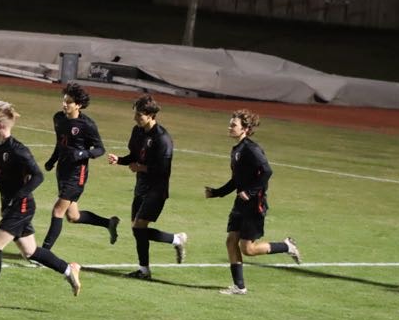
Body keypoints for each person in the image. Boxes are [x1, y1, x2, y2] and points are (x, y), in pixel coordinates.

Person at [0, 102, 82, 310]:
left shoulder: (18, 150)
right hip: (10, 206)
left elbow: (38, 176)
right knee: (31, 251)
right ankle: (70, 270)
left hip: (22, 207)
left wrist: (18, 196)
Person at [204, 109, 301, 295]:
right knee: (231, 241)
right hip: (240, 204)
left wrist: (250, 191)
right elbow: (236, 180)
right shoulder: (237, 150)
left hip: (254, 205)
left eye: (234, 125)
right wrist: (217, 193)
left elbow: (267, 172)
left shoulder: (251, 149)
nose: (230, 127)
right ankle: (239, 287)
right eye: (230, 124)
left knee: (248, 249)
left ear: (245, 129)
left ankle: (287, 246)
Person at [108, 94, 186, 279]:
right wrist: (119, 160)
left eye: (140, 115)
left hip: (157, 189)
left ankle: (171, 245)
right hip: (141, 186)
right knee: (137, 230)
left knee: (139, 226)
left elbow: (163, 169)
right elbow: (133, 156)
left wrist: (140, 167)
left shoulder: (163, 139)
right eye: (136, 114)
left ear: (151, 115)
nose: (136, 118)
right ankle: (150, 264)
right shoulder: (138, 131)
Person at [41, 82, 119, 249]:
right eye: (64, 100)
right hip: (62, 170)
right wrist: (52, 160)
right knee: (73, 216)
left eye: (69, 102)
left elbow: (100, 149)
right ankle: (108, 223)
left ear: (78, 105)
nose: (64, 104)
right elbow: (60, 143)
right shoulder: (58, 118)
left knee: (57, 211)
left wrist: (82, 154)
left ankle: (43, 253)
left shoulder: (87, 125)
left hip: (77, 174)